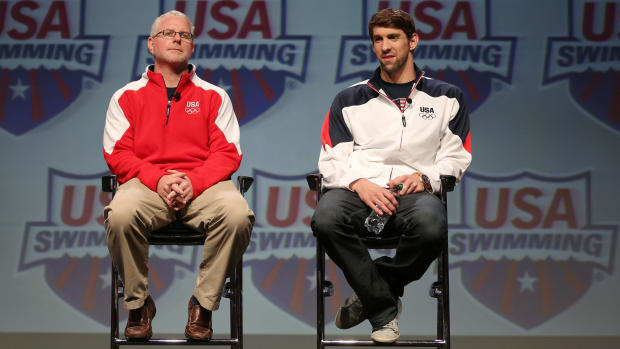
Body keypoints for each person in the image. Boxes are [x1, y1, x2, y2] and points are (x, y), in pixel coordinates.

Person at [311, 8, 472, 343]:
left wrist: (426, 177)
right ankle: (384, 309)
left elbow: (457, 156)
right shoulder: (349, 99)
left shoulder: (447, 97)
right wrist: (359, 183)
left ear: (412, 41)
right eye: (378, 39)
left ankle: (378, 285)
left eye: (393, 38)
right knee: (325, 218)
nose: (385, 46)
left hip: (415, 194)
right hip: (358, 191)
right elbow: (330, 159)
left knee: (431, 226)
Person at [102, 10, 254, 341]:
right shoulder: (126, 97)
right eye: (169, 33)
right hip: (146, 186)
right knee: (120, 214)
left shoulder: (214, 96)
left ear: (192, 46)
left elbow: (228, 153)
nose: (176, 39)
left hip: (204, 186)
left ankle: (203, 304)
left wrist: (192, 181)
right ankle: (139, 304)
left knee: (238, 214)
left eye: (184, 35)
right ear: (151, 44)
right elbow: (118, 154)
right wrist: (159, 179)